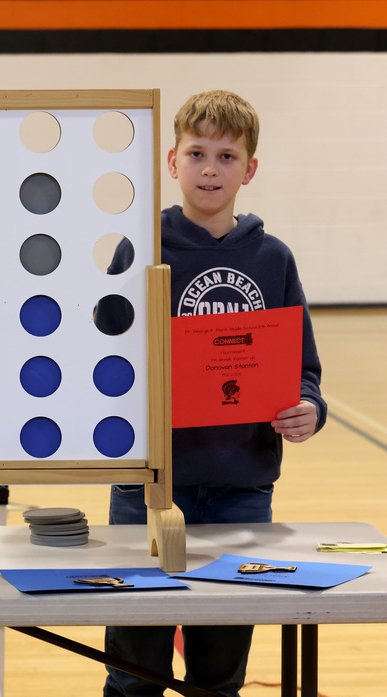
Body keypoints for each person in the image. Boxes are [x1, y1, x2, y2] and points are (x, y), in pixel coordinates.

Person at [103, 90, 327, 697]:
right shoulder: (140, 249)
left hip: (242, 492)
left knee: (218, 677)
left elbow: (303, 369)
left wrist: (310, 409)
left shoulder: (272, 258)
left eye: (226, 156)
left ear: (249, 169)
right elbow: (102, 361)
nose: (209, 168)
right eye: (196, 153)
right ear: (172, 163)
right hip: (147, 488)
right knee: (133, 675)